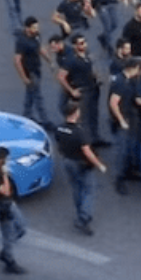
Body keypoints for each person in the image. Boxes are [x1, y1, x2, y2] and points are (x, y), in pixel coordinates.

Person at [55, 101, 108, 235]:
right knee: (89, 190)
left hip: (67, 161)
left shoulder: (59, 128)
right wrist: (99, 164)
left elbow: (59, 143)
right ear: (75, 113)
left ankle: (80, 213)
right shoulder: (80, 132)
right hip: (81, 164)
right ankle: (83, 218)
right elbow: (87, 152)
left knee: (76, 188)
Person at [107, 57, 141, 194]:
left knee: (130, 146)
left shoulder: (130, 80)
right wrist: (121, 121)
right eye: (140, 69)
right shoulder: (120, 82)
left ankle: (129, 171)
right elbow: (113, 103)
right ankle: (119, 179)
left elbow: (135, 98)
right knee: (122, 150)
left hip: (131, 118)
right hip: (123, 121)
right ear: (135, 67)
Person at [57, 33, 106, 147]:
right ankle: (85, 144)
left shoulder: (86, 56)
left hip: (93, 89)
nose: (84, 45)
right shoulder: (71, 60)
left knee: (93, 115)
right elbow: (61, 76)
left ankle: (95, 138)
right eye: (80, 43)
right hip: (82, 92)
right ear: (74, 46)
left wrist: (96, 76)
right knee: (84, 119)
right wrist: (71, 91)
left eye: (84, 42)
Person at [14, 17, 52, 128]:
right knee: (38, 97)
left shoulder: (36, 36)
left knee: (30, 95)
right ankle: (45, 120)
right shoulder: (22, 41)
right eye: (34, 27)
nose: (37, 29)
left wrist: (49, 59)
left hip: (37, 69)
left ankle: (26, 115)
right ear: (27, 28)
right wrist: (24, 77)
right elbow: (17, 60)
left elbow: (40, 48)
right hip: (30, 72)